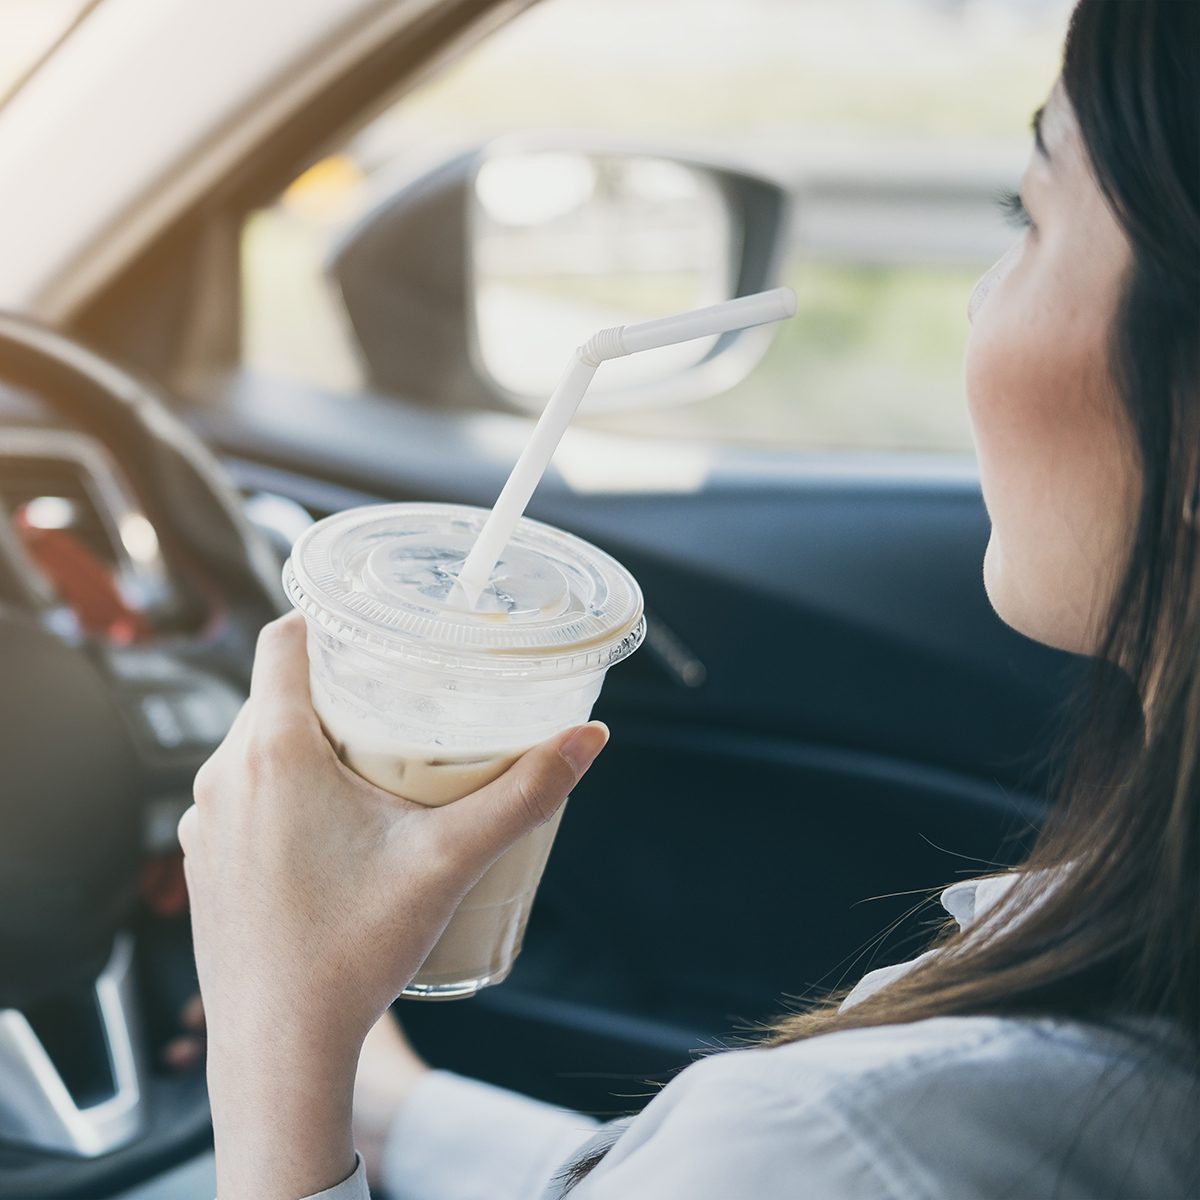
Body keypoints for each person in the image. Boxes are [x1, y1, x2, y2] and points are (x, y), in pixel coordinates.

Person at [176, 1, 1200, 1196]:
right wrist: (394, 1108)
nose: (981, 298)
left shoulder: (862, 1136)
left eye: (1028, 215)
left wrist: (276, 1045)